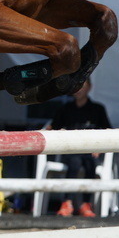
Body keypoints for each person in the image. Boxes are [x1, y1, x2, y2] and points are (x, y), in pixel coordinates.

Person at [47, 80, 112, 218]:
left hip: (90, 151)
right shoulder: (65, 108)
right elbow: (53, 127)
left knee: (90, 164)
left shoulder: (98, 109)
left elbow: (108, 131)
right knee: (74, 162)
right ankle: (67, 202)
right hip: (71, 150)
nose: (78, 89)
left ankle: (86, 204)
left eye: (81, 85)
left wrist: (100, 147)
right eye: (75, 85)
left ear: (89, 87)